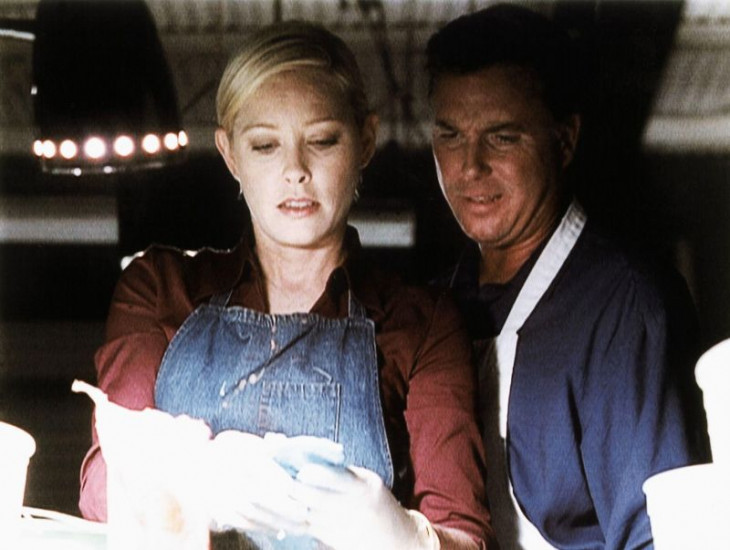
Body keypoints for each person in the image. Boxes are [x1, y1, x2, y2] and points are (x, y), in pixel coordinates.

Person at [78, 21, 494, 550]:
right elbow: (101, 490)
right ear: (230, 154)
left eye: (321, 141)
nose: (295, 171)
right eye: (265, 145)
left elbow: (467, 535)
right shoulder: (159, 289)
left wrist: (410, 538)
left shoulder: (422, 323)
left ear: (365, 141)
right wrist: (199, 485)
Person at [425, 4, 710, 550]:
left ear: (563, 141)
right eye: (451, 136)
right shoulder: (435, 307)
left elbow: (662, 538)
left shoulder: (622, 305)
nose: (470, 166)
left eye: (502, 138)